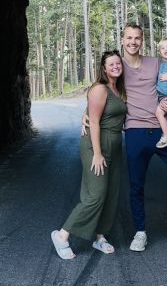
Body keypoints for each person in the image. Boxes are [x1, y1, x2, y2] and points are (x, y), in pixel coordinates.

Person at [85, 23, 167, 252]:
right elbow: (102, 90)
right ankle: (140, 231)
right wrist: (86, 114)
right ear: (122, 40)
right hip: (135, 131)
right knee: (136, 185)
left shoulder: (156, 63)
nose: (133, 42)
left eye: (137, 38)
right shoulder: (117, 66)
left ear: (142, 40)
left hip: (163, 130)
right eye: (129, 38)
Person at [51, 51, 128, 260]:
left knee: (111, 193)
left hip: (115, 146)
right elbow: (93, 121)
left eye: (118, 63)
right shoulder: (99, 89)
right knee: (95, 195)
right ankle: (62, 235)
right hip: (96, 145)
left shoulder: (119, 89)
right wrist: (97, 153)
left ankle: (100, 237)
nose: (115, 66)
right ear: (104, 68)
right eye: (111, 64)